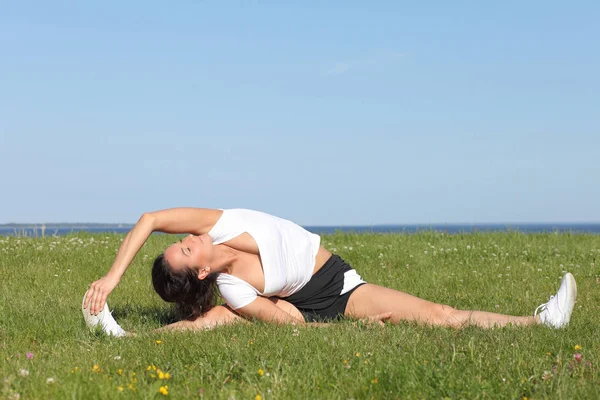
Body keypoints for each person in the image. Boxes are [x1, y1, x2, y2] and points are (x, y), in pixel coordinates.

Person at [82, 208, 577, 336]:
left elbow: (149, 219)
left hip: (335, 278)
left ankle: (539, 321)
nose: (186, 241)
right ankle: (541, 323)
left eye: (181, 243)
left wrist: (112, 278)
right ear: (204, 271)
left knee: (435, 315)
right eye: (186, 253)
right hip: (325, 302)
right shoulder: (233, 288)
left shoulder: (218, 224)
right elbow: (292, 325)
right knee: (437, 314)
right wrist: (346, 324)